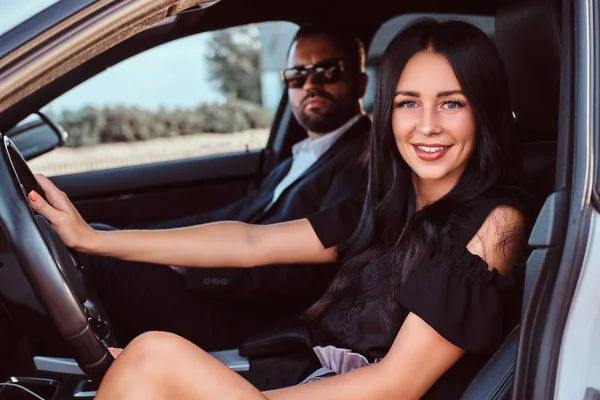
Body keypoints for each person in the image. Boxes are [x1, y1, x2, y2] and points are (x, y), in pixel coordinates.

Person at [29, 18, 537, 399]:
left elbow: (396, 383)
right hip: (314, 378)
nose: (426, 125)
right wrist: (93, 239)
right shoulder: (389, 204)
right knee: (146, 362)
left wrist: (231, 395)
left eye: (451, 103)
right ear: (386, 112)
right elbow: (252, 241)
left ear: (484, 110)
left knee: (153, 356)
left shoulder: (497, 223)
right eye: (408, 102)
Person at [80, 25, 371, 350]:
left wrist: (193, 267)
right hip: (229, 295)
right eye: (296, 76)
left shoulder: (364, 162)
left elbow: (313, 272)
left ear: (360, 83)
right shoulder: (298, 159)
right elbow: (234, 215)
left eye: (327, 71)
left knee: (99, 262)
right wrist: (146, 238)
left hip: (255, 321)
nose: (311, 85)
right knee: (102, 241)